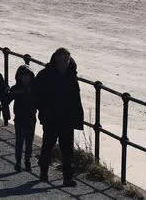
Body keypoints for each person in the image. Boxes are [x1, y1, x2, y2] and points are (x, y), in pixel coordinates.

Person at [34, 48, 84, 187]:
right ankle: (43, 172)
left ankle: (67, 178)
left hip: (66, 119)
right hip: (51, 118)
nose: (65, 62)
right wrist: (44, 112)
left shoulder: (71, 76)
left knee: (67, 149)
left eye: (67, 59)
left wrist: (76, 117)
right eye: (63, 59)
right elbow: (37, 94)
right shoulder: (45, 75)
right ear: (56, 58)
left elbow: (76, 98)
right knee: (47, 146)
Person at [8, 65, 37, 172]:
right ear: (19, 77)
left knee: (29, 142)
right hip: (19, 119)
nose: (26, 78)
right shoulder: (16, 89)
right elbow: (7, 99)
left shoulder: (34, 89)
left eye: (28, 76)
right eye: (23, 76)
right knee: (19, 141)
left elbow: (40, 102)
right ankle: (18, 162)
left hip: (31, 119)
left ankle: (27, 161)